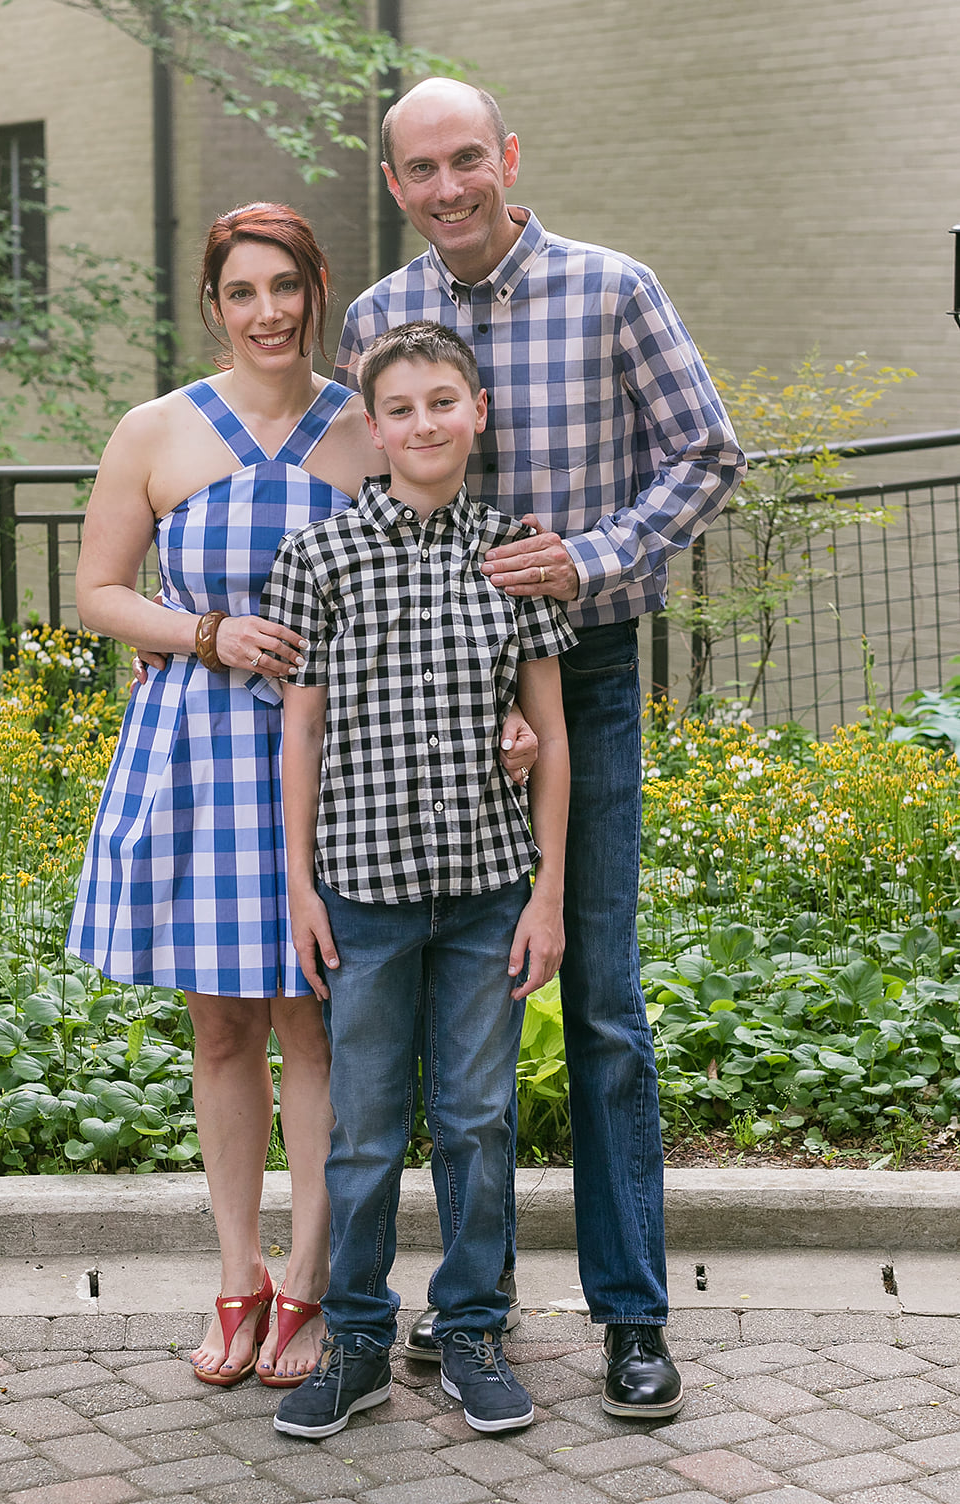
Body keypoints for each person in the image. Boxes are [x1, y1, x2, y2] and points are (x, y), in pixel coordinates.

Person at [67, 202, 537, 1391]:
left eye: (285, 286)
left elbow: (435, 570)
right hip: (199, 750)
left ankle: (311, 1281)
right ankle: (237, 1274)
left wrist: (500, 708)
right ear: (213, 305)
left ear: (317, 292)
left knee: (312, 1021)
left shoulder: (365, 424)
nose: (266, 311)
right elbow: (98, 592)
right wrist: (202, 632)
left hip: (342, 765)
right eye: (242, 291)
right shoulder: (156, 430)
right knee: (221, 1024)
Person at [336, 79, 748, 1419]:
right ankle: (478, 1301)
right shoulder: (377, 319)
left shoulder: (611, 289)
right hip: (435, 705)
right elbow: (366, 505)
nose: (448, 187)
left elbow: (706, 453)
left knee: (601, 999)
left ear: (506, 157)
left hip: (590, 673)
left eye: (467, 158)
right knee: (464, 1005)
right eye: (420, 169)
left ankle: (631, 1316)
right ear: (393, 184)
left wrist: (590, 556)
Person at [261, 321, 573, 1439]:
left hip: (487, 891)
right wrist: (300, 888)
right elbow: (300, 735)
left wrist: (546, 893)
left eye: (444, 401)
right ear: (373, 427)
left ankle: (471, 1328)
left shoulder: (512, 553)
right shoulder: (321, 558)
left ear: (476, 413)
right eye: (400, 408)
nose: (424, 422)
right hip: (362, 893)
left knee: (478, 1119)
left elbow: (548, 732)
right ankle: (355, 1339)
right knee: (363, 1127)